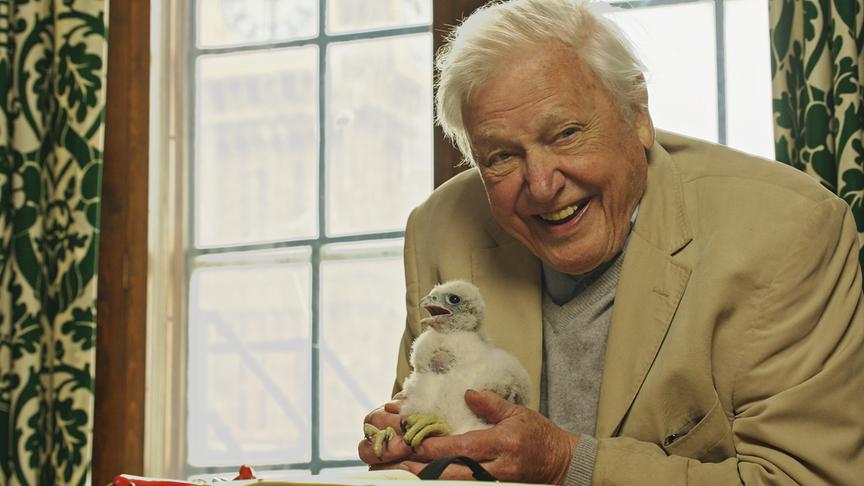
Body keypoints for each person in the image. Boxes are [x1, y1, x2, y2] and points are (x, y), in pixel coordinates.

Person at [358, 0, 864, 484]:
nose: (541, 184)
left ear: (638, 114)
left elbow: (809, 480)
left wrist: (568, 465)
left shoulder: (789, 229)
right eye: (501, 157)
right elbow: (432, 443)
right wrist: (412, 450)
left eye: (566, 133)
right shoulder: (440, 228)